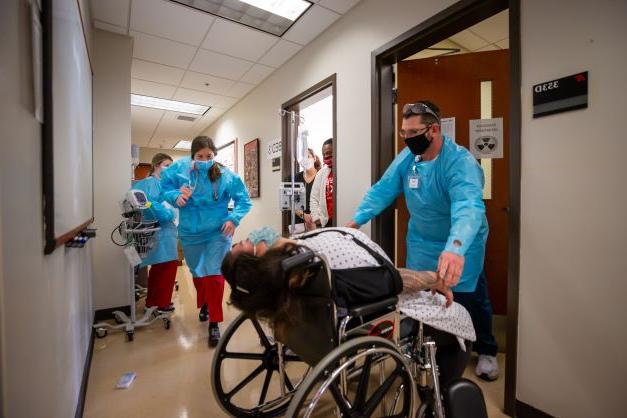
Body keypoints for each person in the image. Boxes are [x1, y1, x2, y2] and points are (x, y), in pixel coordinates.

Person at [346, 100, 499, 380]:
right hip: (422, 242)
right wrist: (355, 222)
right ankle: (430, 348)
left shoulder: (459, 161)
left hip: (461, 242)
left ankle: (486, 348)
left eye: (413, 132)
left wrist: (455, 248)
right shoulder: (407, 158)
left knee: (470, 297)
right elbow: (382, 190)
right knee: (423, 297)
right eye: (403, 133)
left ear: (433, 130)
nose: (407, 138)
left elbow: (468, 206)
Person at [224, 226, 475, 388]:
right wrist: (435, 279)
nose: (251, 235)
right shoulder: (315, 263)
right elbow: (396, 281)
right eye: (246, 242)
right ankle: (441, 395)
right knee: (460, 319)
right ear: (261, 252)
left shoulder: (289, 267)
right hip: (380, 307)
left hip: (338, 310)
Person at [161, 136, 252, 346]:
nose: (204, 160)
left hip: (217, 232)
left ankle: (214, 322)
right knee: (197, 272)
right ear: (192, 156)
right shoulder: (180, 169)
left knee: (214, 274)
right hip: (190, 232)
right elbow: (164, 187)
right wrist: (175, 195)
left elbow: (243, 200)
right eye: (199, 156)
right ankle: (205, 303)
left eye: (208, 156)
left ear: (214, 156)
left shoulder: (226, 175)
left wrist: (233, 219)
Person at [133, 153, 178, 312]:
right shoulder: (152, 183)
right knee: (168, 267)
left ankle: (152, 302)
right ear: (156, 165)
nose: (169, 170)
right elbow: (151, 205)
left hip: (158, 232)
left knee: (158, 269)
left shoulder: (148, 183)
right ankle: (162, 304)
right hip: (161, 232)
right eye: (166, 165)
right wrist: (170, 214)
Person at [294, 148, 321, 232]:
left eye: (308, 157)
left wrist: (314, 217)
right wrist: (303, 215)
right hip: (300, 223)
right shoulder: (297, 177)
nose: (305, 160)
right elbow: (294, 202)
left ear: (314, 158)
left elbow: (326, 201)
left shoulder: (321, 175)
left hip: (318, 221)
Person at [310, 139, 334, 228]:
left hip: (342, 218)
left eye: (329, 153)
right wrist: (316, 218)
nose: (326, 156)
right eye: (324, 154)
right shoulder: (321, 173)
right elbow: (313, 198)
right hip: (326, 222)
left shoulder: (344, 170)